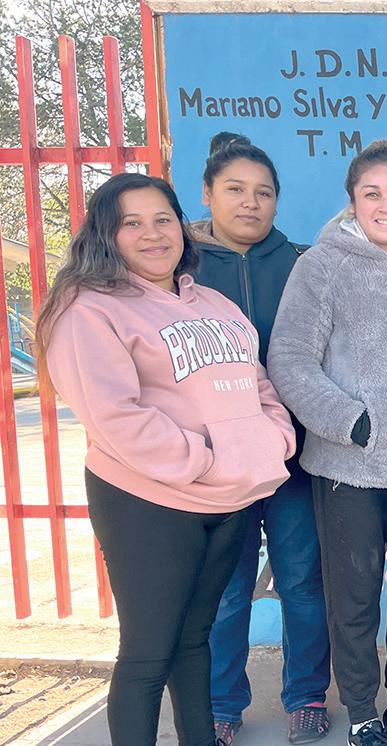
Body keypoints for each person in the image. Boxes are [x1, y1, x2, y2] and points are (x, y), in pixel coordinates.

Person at [36, 172, 295, 745]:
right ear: (106, 234)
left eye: (162, 220)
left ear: (182, 226)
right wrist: (207, 460)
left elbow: (258, 383)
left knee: (194, 643)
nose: (152, 234)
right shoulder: (88, 310)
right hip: (149, 503)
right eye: (132, 223)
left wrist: (269, 441)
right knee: (149, 654)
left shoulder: (214, 303)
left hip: (228, 499)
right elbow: (116, 416)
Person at [268, 140, 387, 746]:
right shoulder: (321, 266)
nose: (385, 205)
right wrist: (351, 421)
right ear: (352, 201)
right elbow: (289, 358)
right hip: (348, 468)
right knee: (352, 598)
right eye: (371, 193)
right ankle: (361, 712)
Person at [191, 132, 332, 745]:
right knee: (226, 592)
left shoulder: (304, 263)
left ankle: (306, 696)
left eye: (263, 192)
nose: (250, 202)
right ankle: (222, 704)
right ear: (207, 194)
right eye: (235, 189)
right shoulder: (182, 270)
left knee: (302, 582)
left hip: (294, 458)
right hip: (217, 464)